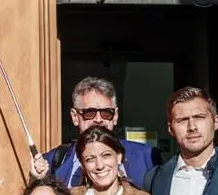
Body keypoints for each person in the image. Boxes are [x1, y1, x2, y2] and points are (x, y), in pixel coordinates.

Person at [31, 76, 161, 186]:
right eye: (89, 113)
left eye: (106, 113)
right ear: (75, 117)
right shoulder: (52, 161)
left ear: (115, 116)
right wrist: (38, 181)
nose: (98, 119)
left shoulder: (147, 158)